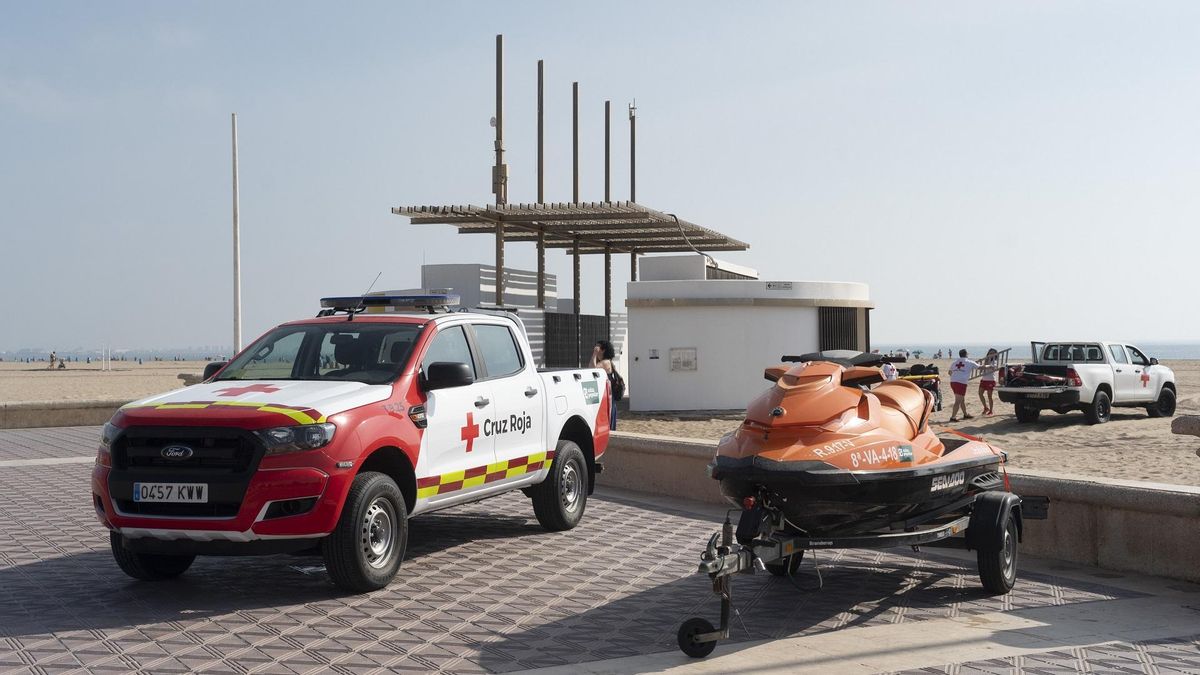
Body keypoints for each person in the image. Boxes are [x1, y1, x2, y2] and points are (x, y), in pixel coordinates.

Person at [589, 340, 618, 430]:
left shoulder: (605, 362)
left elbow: (592, 369)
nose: (596, 349)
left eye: (598, 347)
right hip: (608, 394)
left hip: (607, 395)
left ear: (603, 350)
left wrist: (594, 354)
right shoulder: (608, 361)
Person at [948, 349, 980, 422]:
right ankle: (953, 417)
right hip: (961, 383)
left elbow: (949, 372)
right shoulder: (969, 362)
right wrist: (989, 366)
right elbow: (980, 367)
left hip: (953, 382)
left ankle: (965, 414)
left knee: (962, 400)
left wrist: (956, 376)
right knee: (958, 401)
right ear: (966, 354)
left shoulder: (955, 362)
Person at [978, 348, 999, 416]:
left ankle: (991, 410)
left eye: (993, 353)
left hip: (991, 380)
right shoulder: (986, 360)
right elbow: (982, 369)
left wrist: (987, 365)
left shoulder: (995, 361)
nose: (991, 354)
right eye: (990, 353)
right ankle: (985, 407)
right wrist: (982, 365)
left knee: (989, 396)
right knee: (980, 393)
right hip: (984, 379)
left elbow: (993, 367)